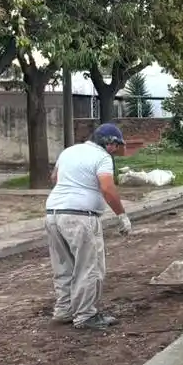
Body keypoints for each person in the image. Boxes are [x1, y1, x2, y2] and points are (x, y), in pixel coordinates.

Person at [45, 123, 132, 330]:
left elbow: (54, 178)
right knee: (88, 267)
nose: (115, 150)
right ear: (108, 142)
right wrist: (122, 215)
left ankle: (64, 310)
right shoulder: (102, 157)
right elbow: (107, 188)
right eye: (115, 145)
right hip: (81, 218)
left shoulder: (69, 151)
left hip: (53, 214)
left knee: (64, 266)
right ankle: (85, 315)